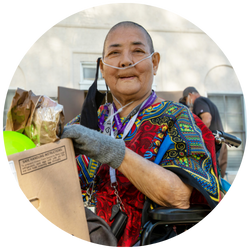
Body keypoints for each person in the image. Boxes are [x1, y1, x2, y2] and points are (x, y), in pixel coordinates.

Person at [61, 21, 221, 249]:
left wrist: (112, 151)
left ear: (154, 63)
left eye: (137, 51)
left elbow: (179, 197)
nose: (126, 60)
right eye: (114, 52)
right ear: (103, 67)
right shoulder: (85, 122)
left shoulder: (178, 118)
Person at [181, 87, 227, 178]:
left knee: (212, 176)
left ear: (190, 95)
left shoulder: (199, 101)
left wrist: (195, 136)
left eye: (186, 99)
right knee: (219, 179)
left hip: (214, 144)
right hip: (221, 141)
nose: (187, 103)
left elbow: (207, 119)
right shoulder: (208, 102)